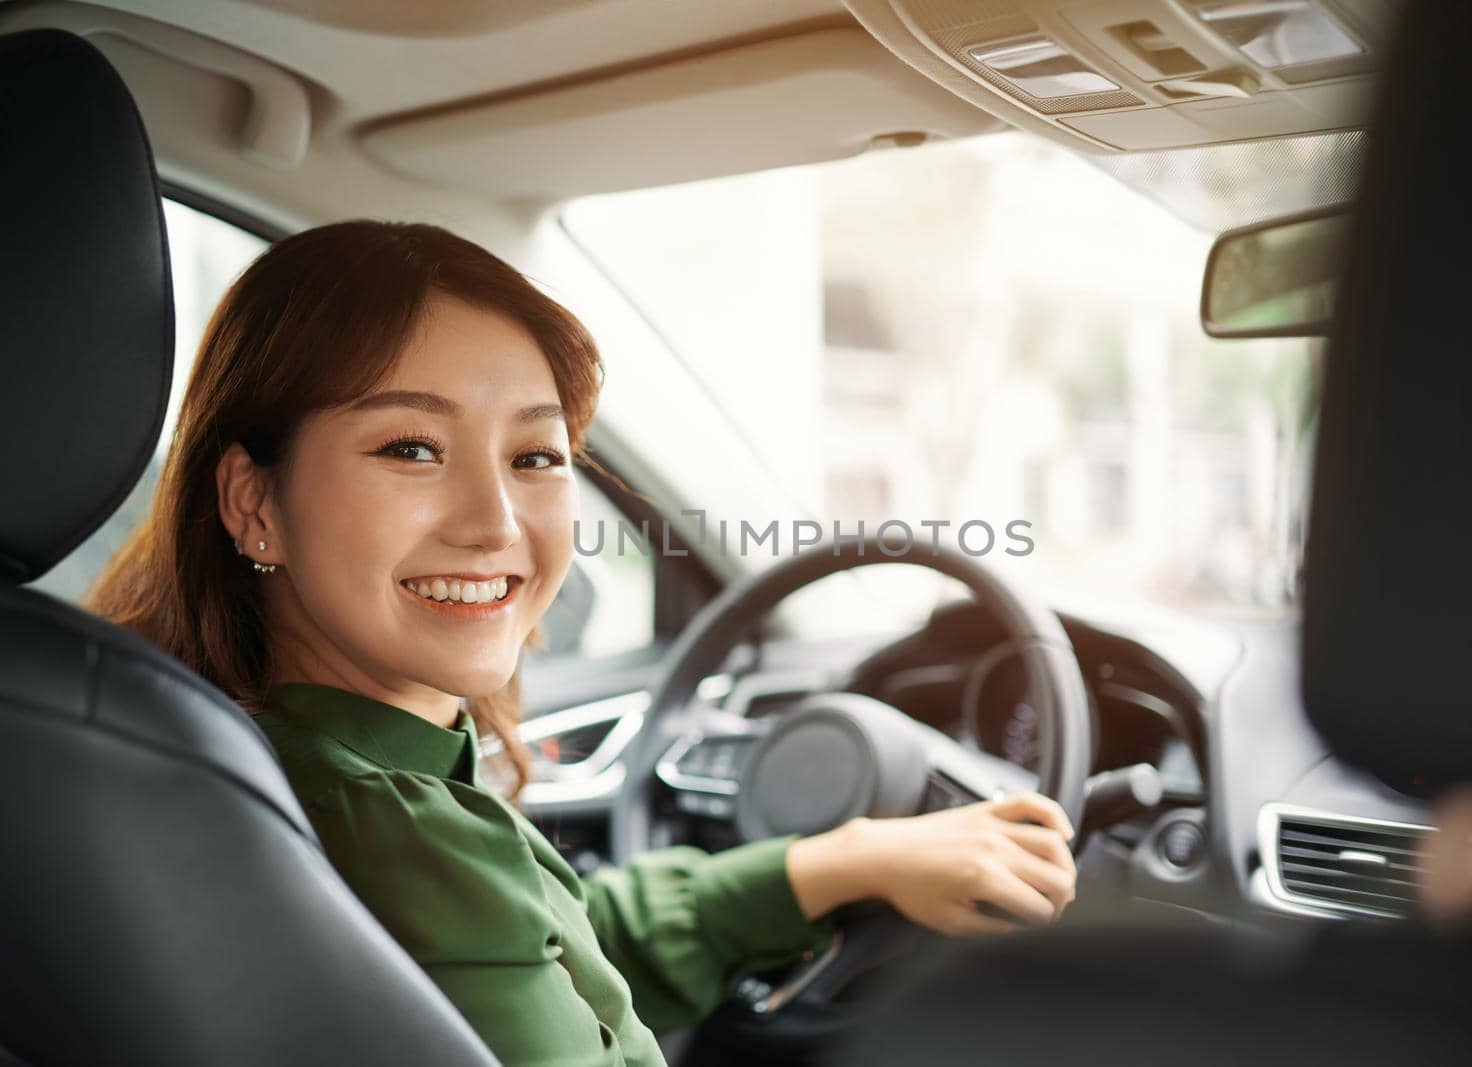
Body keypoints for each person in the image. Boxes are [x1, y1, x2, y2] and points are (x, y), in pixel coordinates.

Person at [86, 220, 1079, 1066]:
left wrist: (849, 855)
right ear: (253, 501)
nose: (494, 521)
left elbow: (557, 937)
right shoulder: (378, 823)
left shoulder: (242, 755)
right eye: (412, 448)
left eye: (536, 456)